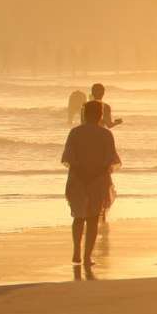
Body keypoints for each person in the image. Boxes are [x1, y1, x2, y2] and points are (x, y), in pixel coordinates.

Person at [61, 100, 121, 266]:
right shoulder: (106, 134)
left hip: (78, 178)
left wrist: (82, 172)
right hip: (98, 179)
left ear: (84, 114)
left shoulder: (75, 132)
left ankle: (76, 253)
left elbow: (69, 157)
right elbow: (110, 158)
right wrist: (94, 173)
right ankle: (87, 257)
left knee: (78, 216)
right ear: (100, 115)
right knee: (93, 218)